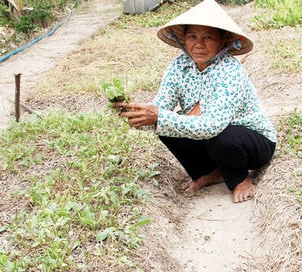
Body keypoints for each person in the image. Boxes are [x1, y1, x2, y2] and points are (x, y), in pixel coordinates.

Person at [113, 0, 276, 203]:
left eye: (208, 37)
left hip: (251, 142)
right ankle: (210, 172)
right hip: (213, 137)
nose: (199, 44)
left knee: (222, 136)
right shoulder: (179, 66)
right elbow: (160, 109)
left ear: (223, 41)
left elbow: (213, 126)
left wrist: (159, 116)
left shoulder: (230, 70)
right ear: (184, 40)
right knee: (165, 124)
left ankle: (240, 178)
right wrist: (136, 115)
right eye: (192, 36)